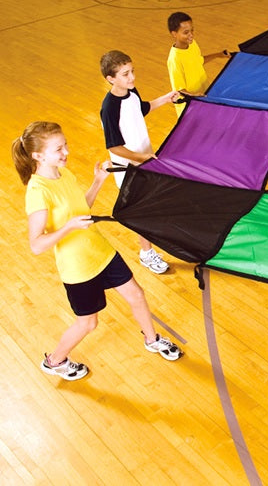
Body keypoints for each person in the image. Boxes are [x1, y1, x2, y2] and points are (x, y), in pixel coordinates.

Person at [12, 122, 183, 381]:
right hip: (78, 267)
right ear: (38, 156)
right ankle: (55, 361)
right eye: (58, 149)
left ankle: (152, 339)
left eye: (65, 144)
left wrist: (98, 181)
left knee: (137, 295)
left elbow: (81, 210)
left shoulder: (63, 174)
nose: (66, 152)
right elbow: (36, 245)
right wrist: (68, 228)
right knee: (88, 323)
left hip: (100, 251)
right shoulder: (38, 191)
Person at [99, 49, 179, 273]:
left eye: (132, 71)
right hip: (129, 170)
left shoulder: (131, 92)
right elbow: (113, 146)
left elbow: (142, 109)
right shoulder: (110, 108)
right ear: (111, 79)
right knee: (142, 212)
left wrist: (167, 98)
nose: (132, 77)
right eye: (125, 74)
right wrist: (140, 158)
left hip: (145, 161)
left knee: (151, 206)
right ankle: (146, 253)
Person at [166, 11, 230, 117]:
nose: (191, 35)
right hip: (190, 107)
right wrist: (194, 96)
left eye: (192, 30)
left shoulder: (192, 44)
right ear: (174, 34)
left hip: (203, 96)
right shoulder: (174, 59)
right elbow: (179, 90)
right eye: (186, 32)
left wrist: (218, 55)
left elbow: (199, 61)